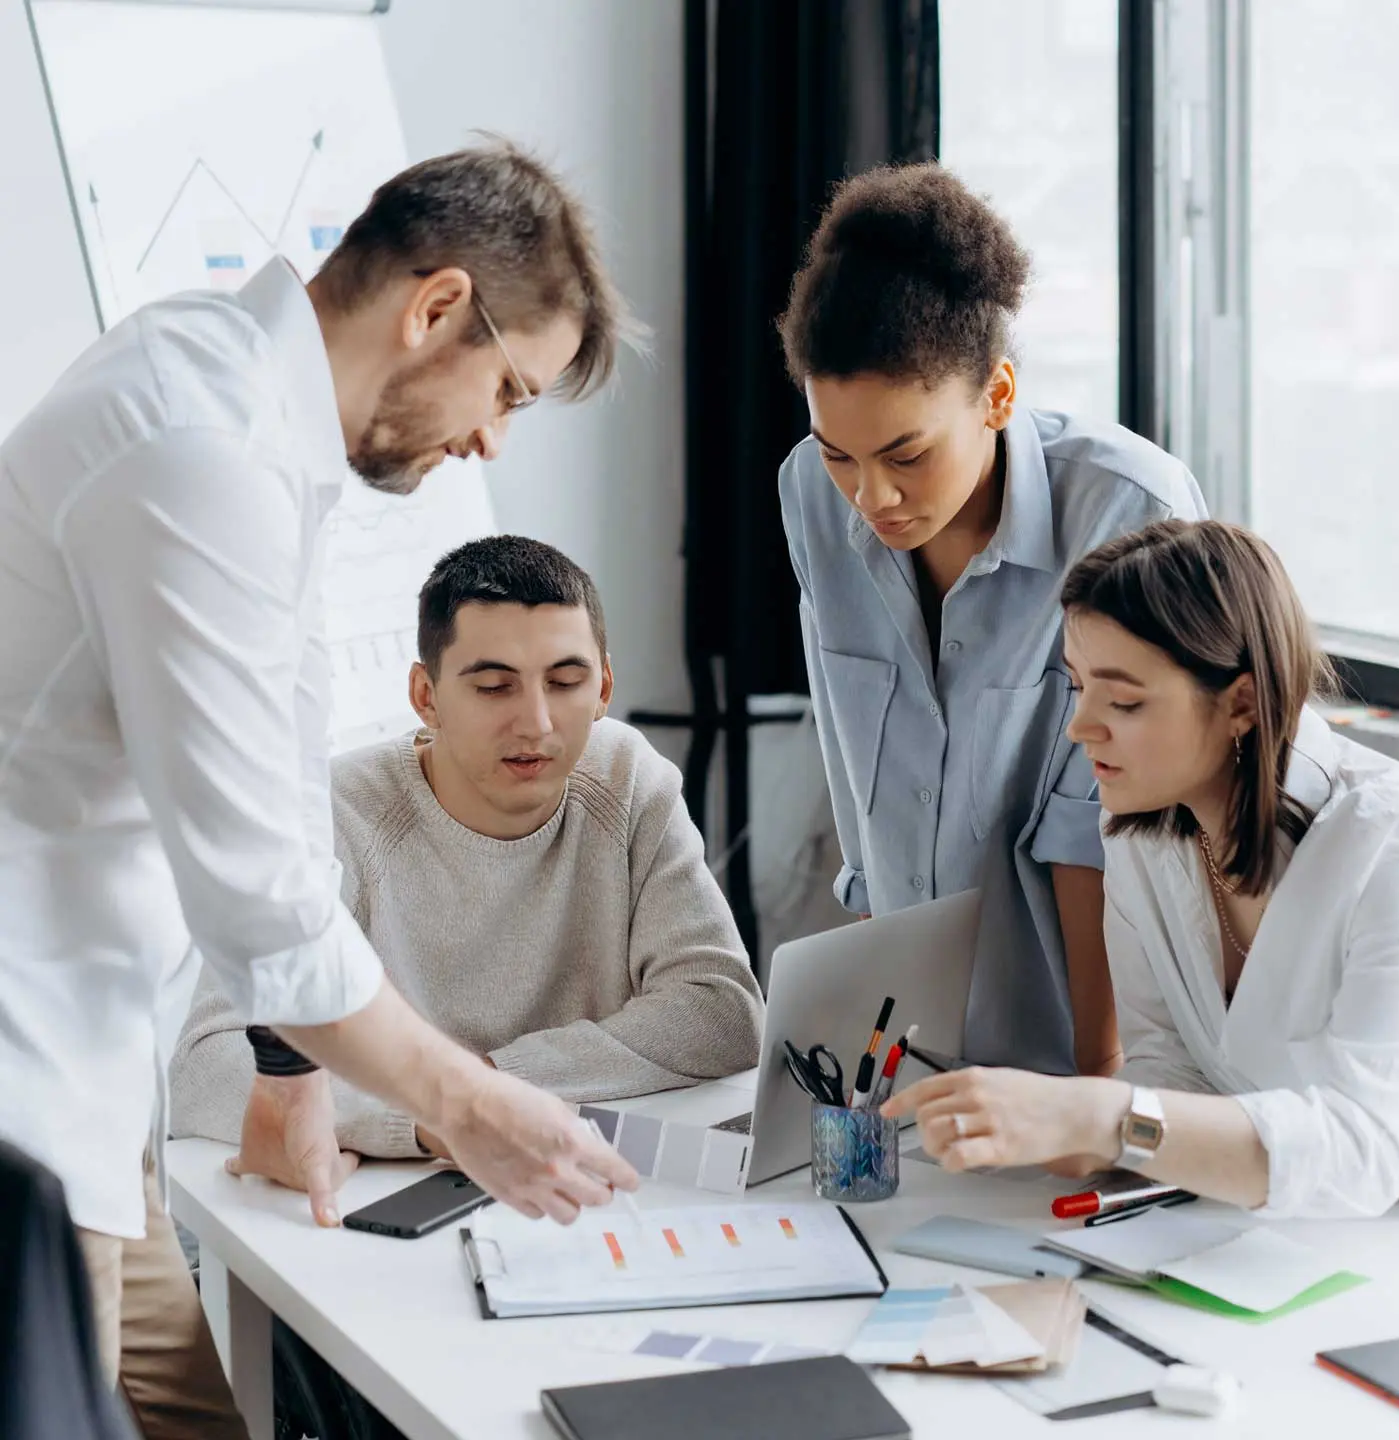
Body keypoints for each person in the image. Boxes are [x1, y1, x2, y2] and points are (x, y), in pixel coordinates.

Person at [0, 139, 640, 1433]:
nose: (488, 442)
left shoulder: (249, 413)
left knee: (204, 1418)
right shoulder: (196, 449)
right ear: (438, 307)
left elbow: (278, 769)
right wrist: (468, 1104)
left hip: (87, 1074)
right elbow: (258, 897)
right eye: (507, 392)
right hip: (20, 1083)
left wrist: (291, 1061)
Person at [777, 163, 1206, 1079]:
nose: (871, 497)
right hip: (906, 1042)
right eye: (839, 454)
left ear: (998, 396)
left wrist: (1096, 1087)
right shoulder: (810, 494)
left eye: (907, 453)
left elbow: (1106, 822)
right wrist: (876, 1042)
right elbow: (863, 781)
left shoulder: (1128, 508)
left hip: (1088, 1040)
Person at [886, 519, 1399, 1219]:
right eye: (1078, 687)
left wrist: (1109, 1119)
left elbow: (1365, 1151)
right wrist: (1074, 1135)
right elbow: (1171, 1064)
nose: (1080, 727)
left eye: (1123, 701)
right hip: (1257, 1225)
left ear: (1240, 703)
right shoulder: (1139, 834)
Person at [171, 535, 764, 1165]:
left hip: (575, 1170)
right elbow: (207, 1064)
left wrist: (481, 1088)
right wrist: (432, 1116)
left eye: (565, 681)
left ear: (604, 687)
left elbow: (721, 1010)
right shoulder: (337, 813)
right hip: (394, 1187)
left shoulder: (627, 779)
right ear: (426, 696)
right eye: (493, 688)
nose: (537, 722)